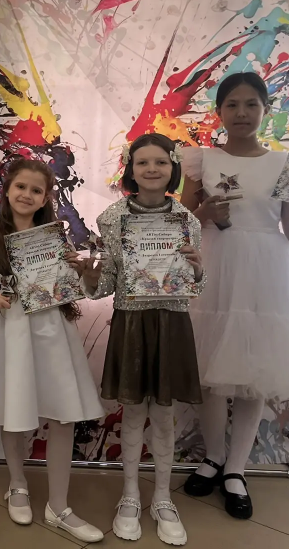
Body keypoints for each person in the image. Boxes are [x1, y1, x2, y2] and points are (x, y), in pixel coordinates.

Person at [179, 72, 289, 519]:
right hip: (213, 269)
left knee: (253, 373)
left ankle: (236, 469)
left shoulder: (284, 164)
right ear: (219, 111)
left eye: (251, 104)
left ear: (265, 110)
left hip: (267, 273)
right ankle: (213, 457)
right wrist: (202, 212)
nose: (241, 113)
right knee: (208, 375)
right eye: (232, 104)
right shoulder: (201, 159)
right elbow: (177, 225)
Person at [0, 158, 105, 543]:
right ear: (7, 190)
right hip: (10, 333)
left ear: (45, 198)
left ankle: (59, 505)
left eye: (37, 190)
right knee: (13, 411)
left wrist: (86, 271)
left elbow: (79, 289)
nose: (27, 194)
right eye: (21, 186)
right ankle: (17, 483)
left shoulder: (56, 241)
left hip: (53, 333)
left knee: (63, 415)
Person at [69, 134, 204, 546]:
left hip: (171, 322)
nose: (151, 169)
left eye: (160, 162)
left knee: (163, 415)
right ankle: (129, 495)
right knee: (131, 413)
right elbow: (105, 285)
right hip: (131, 322)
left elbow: (193, 285)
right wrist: (91, 275)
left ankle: (162, 497)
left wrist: (198, 270)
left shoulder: (187, 220)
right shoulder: (112, 219)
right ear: (130, 169)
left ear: (172, 166)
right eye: (142, 162)